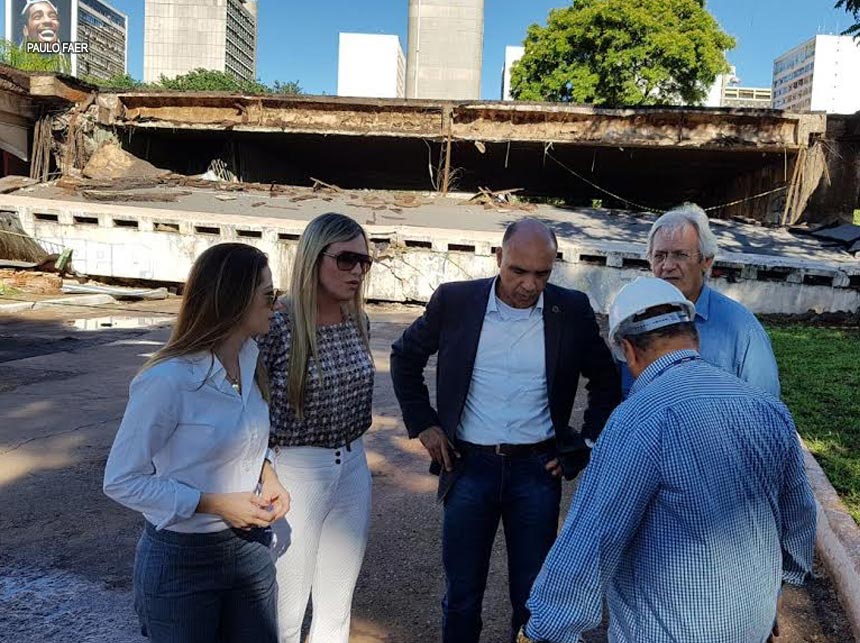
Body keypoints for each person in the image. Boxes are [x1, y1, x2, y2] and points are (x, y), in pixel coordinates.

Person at [520, 276, 817, 643]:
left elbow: (594, 538)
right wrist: (776, 588)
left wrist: (544, 631)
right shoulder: (766, 408)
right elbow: (800, 514)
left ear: (627, 350)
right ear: (694, 337)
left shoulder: (639, 418)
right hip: (751, 623)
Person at [390, 218, 621, 643]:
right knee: (461, 595)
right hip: (468, 467)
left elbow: (606, 381)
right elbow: (405, 357)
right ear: (499, 258)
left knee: (533, 598)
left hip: (536, 472)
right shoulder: (456, 302)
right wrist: (424, 423)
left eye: (542, 274)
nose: (529, 285)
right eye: (518, 271)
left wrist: (585, 444)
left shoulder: (570, 310)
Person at [103, 243, 290, 643]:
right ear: (234, 299)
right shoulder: (168, 380)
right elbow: (120, 480)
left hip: (250, 549)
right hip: (181, 560)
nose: (276, 305)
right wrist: (213, 503)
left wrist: (267, 471)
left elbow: (248, 439)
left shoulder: (250, 359)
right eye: (269, 295)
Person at [258, 212, 375, 643]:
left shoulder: (357, 321)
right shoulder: (278, 324)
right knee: (285, 611)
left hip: (353, 465)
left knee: (336, 608)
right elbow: (247, 408)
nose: (357, 271)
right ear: (313, 256)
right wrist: (262, 471)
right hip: (295, 469)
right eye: (346, 260)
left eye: (364, 262)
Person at [621, 202, 780, 397]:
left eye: (680, 255)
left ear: (707, 260)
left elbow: (764, 406)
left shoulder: (742, 329)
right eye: (659, 256)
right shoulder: (632, 320)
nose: (668, 265)